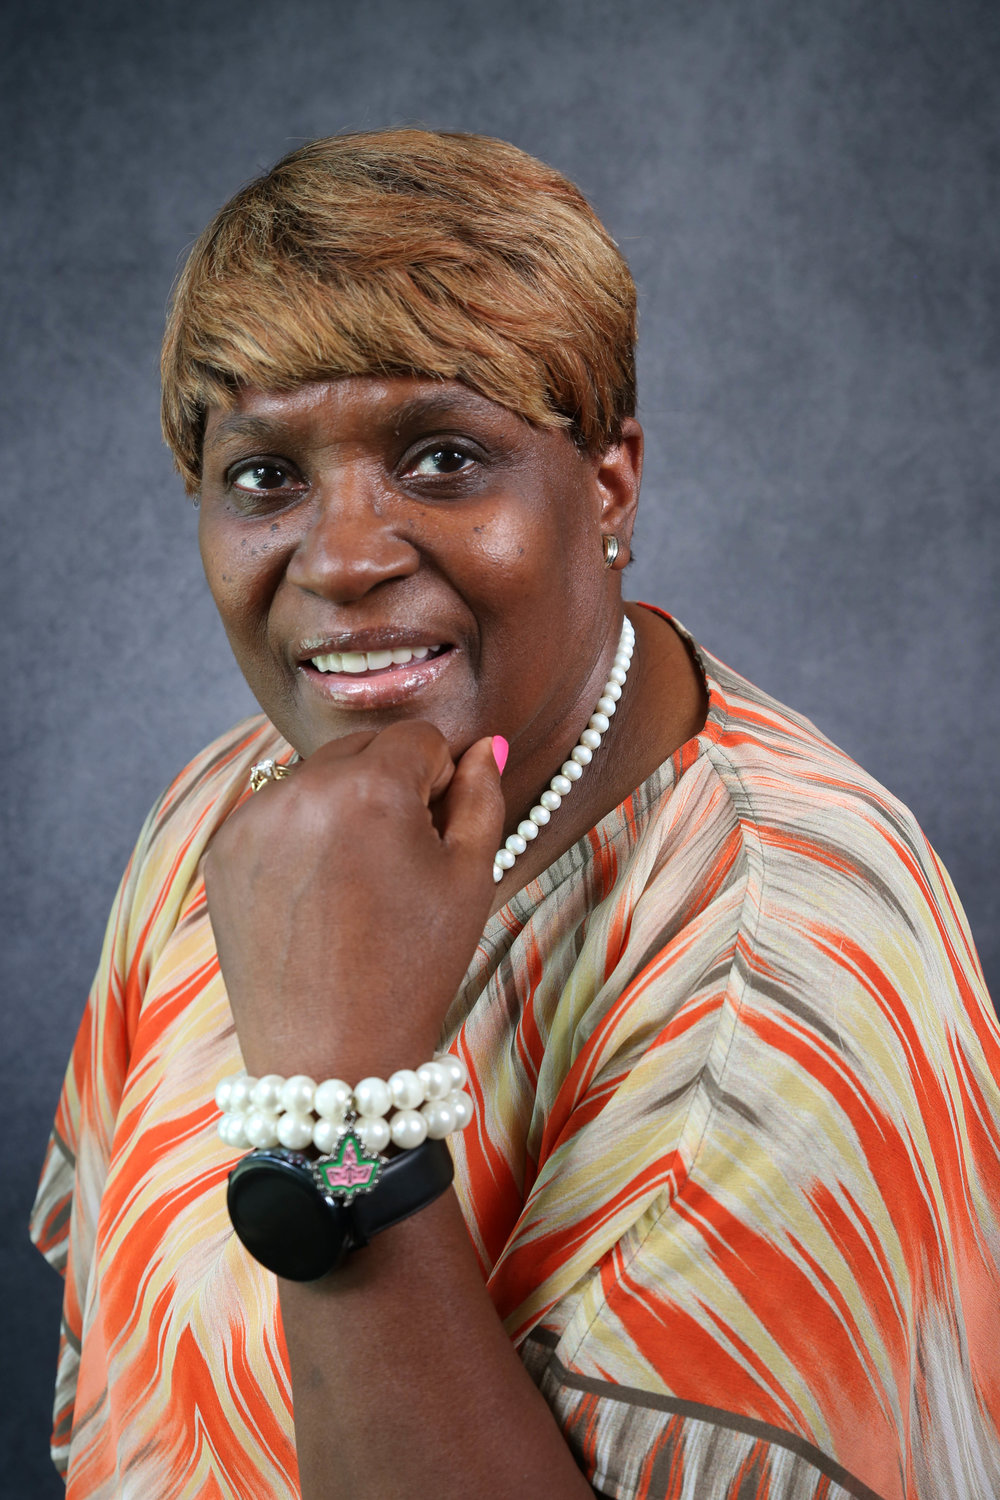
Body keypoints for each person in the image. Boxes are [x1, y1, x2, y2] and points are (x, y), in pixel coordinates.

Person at [30, 129, 1000, 1500]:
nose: (344, 558)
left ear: (609, 483)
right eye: (265, 476)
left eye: (442, 458)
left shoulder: (789, 968)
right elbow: (117, 1378)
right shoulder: (232, 808)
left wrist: (344, 1116)